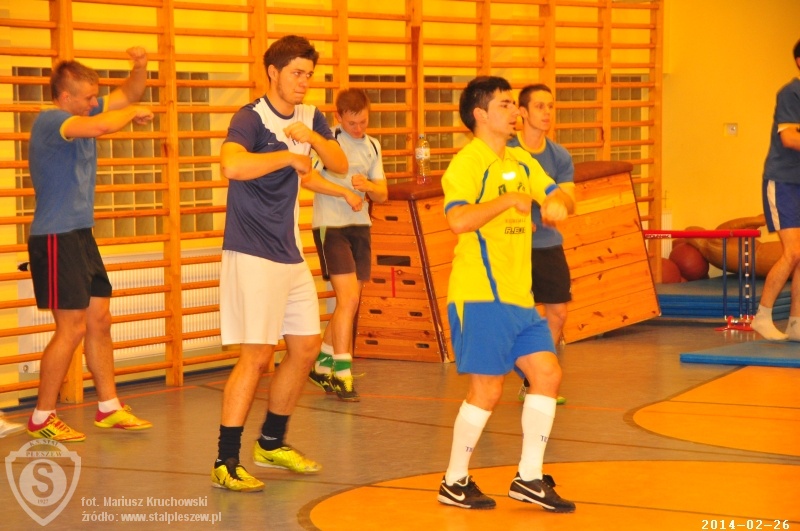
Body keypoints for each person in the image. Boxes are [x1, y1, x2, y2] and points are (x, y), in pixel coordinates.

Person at [212, 35, 353, 493]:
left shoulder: (311, 117)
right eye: (296, 73)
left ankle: (271, 442)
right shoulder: (250, 117)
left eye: (309, 74)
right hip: (252, 252)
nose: (304, 82)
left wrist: (315, 141)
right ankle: (226, 460)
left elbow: (336, 162)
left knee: (307, 347)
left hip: (289, 252)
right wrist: (287, 156)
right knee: (256, 356)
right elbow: (232, 166)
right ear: (273, 72)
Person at [436, 76, 575, 513]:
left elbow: (558, 193)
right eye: (505, 104)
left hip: (519, 298)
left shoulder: (520, 160)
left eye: (515, 104)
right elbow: (458, 221)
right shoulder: (467, 163)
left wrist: (559, 203)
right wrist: (508, 201)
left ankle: (529, 478)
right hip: (481, 293)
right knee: (488, 390)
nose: (515, 111)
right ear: (480, 114)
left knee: (547, 374)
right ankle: (454, 481)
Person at [25, 49, 154, 443]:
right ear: (66, 97)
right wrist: (130, 114)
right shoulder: (52, 121)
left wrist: (139, 68)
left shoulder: (84, 111)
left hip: (81, 234)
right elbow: (101, 125)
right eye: (88, 98)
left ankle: (109, 407)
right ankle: (42, 416)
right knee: (71, 328)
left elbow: (128, 94)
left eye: (96, 97)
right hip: (55, 236)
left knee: (99, 320)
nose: (95, 103)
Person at [308, 88, 388, 402]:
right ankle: (342, 373)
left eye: (363, 122)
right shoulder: (327, 144)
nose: (358, 128)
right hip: (331, 226)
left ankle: (322, 364)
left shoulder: (373, 145)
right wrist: (344, 192)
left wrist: (368, 186)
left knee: (350, 303)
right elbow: (309, 179)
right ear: (338, 117)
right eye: (352, 123)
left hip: (360, 227)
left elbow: (383, 194)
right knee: (349, 299)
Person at [508, 84, 575, 404]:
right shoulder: (507, 151)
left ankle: (535, 380)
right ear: (522, 112)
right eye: (539, 106)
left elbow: (569, 197)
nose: (547, 112)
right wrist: (517, 217)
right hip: (512, 247)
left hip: (547, 246)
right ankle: (531, 373)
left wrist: (560, 204)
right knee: (515, 316)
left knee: (558, 312)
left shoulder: (559, 156)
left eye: (550, 106)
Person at [752, 39, 800, 341]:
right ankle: (762, 315)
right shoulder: (791, 93)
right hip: (783, 182)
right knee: (793, 252)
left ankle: (796, 322)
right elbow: (790, 138)